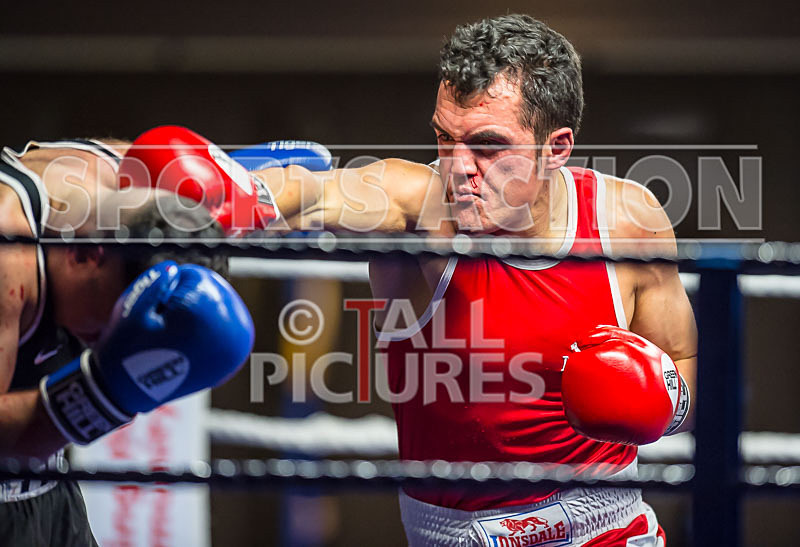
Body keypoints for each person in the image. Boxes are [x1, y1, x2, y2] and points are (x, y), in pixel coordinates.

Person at [137, 14, 696, 544]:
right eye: (444, 139)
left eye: (488, 146)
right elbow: (323, 193)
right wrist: (242, 194)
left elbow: (684, 360)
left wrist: (662, 404)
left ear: (556, 150)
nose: (458, 168)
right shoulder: (421, 207)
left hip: (609, 528)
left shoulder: (629, 220)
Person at [0, 138, 256, 545]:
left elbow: (314, 187)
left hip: (50, 489)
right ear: (89, 255)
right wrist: (101, 395)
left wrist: (251, 190)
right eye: (112, 319)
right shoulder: (8, 259)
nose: (106, 340)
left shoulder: (126, 174)